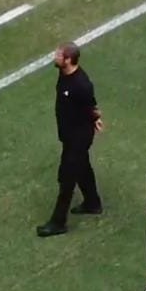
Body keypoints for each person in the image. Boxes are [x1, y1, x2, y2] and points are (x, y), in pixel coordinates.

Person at [36, 42, 104, 237]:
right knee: (82, 166)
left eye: (59, 55)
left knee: (66, 178)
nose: (55, 57)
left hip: (78, 137)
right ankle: (93, 203)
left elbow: (91, 106)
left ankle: (58, 222)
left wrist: (96, 119)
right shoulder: (64, 74)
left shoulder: (81, 84)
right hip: (69, 134)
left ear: (68, 60)